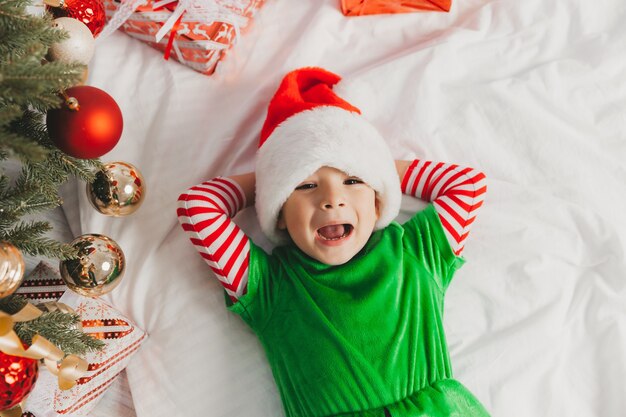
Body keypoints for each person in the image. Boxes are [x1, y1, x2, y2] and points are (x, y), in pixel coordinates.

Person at [177, 68, 489, 417]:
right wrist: (274, 175)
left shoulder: (416, 252)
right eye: (306, 185)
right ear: (279, 212)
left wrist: (377, 165)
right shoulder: (270, 286)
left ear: (377, 200)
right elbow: (197, 208)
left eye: (353, 180)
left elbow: (468, 186)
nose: (332, 199)